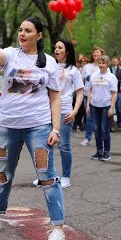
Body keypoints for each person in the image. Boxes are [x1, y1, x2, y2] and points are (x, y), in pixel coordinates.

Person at [0, 16, 66, 240]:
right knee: (3, 172)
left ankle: (58, 230)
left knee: (46, 175)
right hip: (8, 126)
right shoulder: (11, 55)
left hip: (39, 127)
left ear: (39, 35)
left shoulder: (49, 63)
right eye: (20, 30)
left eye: (28, 30)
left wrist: (55, 129)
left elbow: (55, 98)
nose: (22, 34)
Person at [33, 38, 83, 188]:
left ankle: (66, 176)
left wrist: (74, 111)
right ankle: (45, 176)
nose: (56, 50)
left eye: (60, 47)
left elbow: (80, 93)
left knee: (64, 146)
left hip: (65, 110)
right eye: (55, 47)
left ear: (67, 51)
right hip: (46, 110)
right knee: (44, 144)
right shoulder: (50, 65)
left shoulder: (73, 70)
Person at [86, 55, 118, 161]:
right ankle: (99, 151)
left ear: (107, 64)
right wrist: (88, 105)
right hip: (95, 106)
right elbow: (90, 90)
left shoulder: (111, 77)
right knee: (97, 129)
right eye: (99, 63)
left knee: (104, 130)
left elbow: (114, 93)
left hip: (106, 106)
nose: (101, 65)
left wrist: (111, 107)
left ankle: (106, 152)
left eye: (103, 63)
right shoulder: (94, 75)